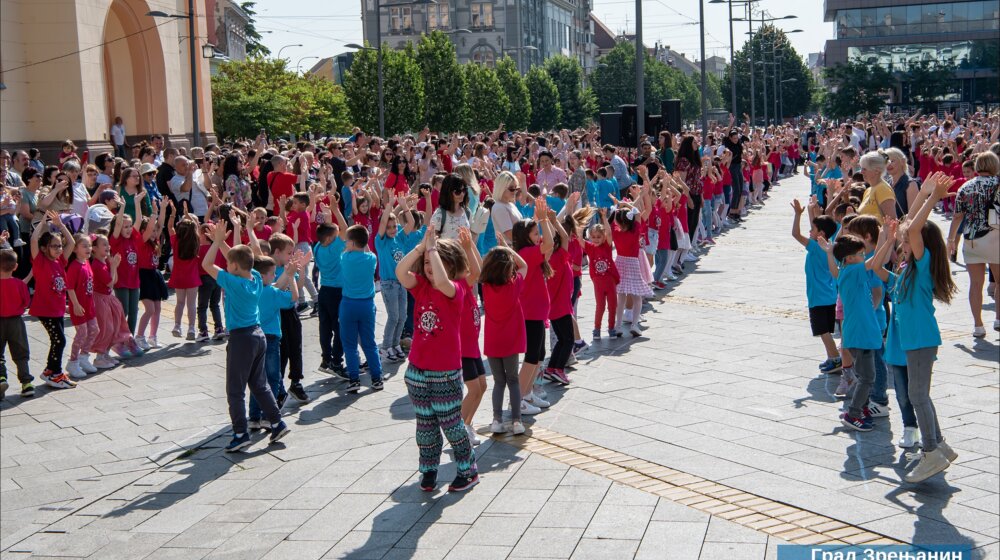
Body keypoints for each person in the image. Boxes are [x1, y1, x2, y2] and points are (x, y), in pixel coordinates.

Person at [875, 172, 960, 483]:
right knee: (919, 395)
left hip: (922, 340)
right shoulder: (907, 270)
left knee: (917, 396)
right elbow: (903, 233)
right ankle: (939, 445)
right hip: (914, 342)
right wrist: (922, 195)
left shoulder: (921, 267)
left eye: (910, 242)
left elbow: (911, 231)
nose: (905, 243)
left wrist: (931, 198)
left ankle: (931, 452)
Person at [395, 227, 479, 493]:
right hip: (417, 370)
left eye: (437, 263)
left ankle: (468, 470)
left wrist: (433, 249)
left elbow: (443, 282)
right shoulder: (421, 288)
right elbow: (400, 272)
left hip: (445, 372)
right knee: (425, 425)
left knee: (452, 424)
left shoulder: (456, 290)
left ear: (452, 265)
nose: (430, 268)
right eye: (428, 265)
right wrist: (422, 248)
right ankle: (428, 469)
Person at [201, 219, 289, 452]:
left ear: (234, 268)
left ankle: (240, 433)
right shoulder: (255, 278)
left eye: (229, 264)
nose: (227, 265)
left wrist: (217, 242)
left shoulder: (233, 283)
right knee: (259, 385)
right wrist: (221, 244)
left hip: (241, 339)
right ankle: (277, 422)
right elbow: (239, 260)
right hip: (258, 335)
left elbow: (207, 264)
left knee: (235, 389)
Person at [819, 230, 884, 433]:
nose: (863, 257)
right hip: (860, 335)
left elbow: (834, 270)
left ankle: (861, 409)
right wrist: (887, 240)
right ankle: (854, 413)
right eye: (860, 254)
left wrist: (830, 253)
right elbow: (874, 262)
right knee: (867, 378)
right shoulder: (852, 271)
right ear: (849, 258)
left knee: (865, 375)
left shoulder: (846, 271)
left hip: (861, 333)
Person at [947, 151, 1000, 337]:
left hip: (972, 239)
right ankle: (998, 319)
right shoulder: (998, 184)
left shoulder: (966, 187)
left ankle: (978, 325)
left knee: (975, 284)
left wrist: (951, 240)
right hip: (996, 237)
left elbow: (957, 216)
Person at [248, 254, 300, 429]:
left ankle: (253, 417)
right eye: (272, 274)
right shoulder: (271, 292)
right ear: (263, 276)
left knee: (256, 379)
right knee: (272, 379)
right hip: (270, 339)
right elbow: (293, 297)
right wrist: (291, 277)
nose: (274, 276)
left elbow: (277, 284)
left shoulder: (251, 289)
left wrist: (286, 273)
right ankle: (267, 416)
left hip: (253, 337)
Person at [512, 198, 554, 416]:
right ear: (525, 237)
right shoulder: (528, 253)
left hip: (537, 312)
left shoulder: (530, 252)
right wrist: (544, 219)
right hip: (530, 313)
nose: (539, 237)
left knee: (538, 354)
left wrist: (543, 220)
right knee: (531, 356)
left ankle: (526, 393)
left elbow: (549, 243)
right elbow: (550, 244)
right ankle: (517, 399)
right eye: (535, 233)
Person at [791, 198, 842, 374]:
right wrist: (814, 212)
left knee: (823, 331)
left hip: (818, 297)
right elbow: (819, 225)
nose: (809, 231)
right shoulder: (829, 245)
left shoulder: (815, 247)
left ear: (820, 233)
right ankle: (831, 357)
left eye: (812, 229)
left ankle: (836, 359)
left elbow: (796, 234)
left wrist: (798, 215)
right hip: (829, 295)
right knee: (827, 329)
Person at [481, 244, 528, 436]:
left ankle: (496, 420)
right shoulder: (514, 284)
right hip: (511, 340)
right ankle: (516, 420)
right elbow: (524, 265)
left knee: (499, 382)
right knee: (513, 380)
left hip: (493, 341)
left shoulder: (485, 287)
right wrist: (508, 248)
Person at [29, 211, 77, 389]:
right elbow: (34, 241)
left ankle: (51, 371)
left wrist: (61, 225)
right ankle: (55, 374)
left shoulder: (60, 261)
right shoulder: (40, 261)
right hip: (44, 309)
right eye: (54, 246)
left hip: (57, 309)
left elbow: (71, 242)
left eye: (59, 246)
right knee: (60, 340)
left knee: (59, 339)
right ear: (44, 249)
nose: (58, 249)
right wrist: (42, 224)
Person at [339, 224, 385, 393]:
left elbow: (348, 250)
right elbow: (366, 248)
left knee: (350, 344)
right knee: (369, 342)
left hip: (348, 304)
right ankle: (377, 377)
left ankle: (354, 379)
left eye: (346, 241)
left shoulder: (345, 258)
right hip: (367, 304)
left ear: (351, 243)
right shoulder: (371, 259)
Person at [89, 233, 140, 367]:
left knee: (114, 327)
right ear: (94, 249)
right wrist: (113, 267)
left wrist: (114, 266)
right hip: (100, 299)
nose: (108, 247)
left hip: (108, 298)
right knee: (106, 328)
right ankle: (99, 357)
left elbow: (114, 280)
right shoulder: (97, 265)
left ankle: (105, 354)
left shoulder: (104, 262)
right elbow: (110, 283)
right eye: (104, 244)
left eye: (108, 244)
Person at [374, 193, 408, 362]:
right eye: (389, 227)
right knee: (393, 316)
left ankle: (395, 344)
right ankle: (385, 347)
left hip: (402, 282)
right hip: (388, 284)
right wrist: (389, 207)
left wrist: (404, 206)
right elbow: (382, 224)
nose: (393, 229)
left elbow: (410, 224)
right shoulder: (381, 241)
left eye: (394, 226)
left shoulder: (399, 237)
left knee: (403, 317)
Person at [134, 200, 169, 349]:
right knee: (150, 309)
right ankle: (139, 336)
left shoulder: (154, 242)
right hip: (144, 275)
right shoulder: (141, 241)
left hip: (154, 275)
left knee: (157, 308)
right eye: (151, 230)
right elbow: (150, 229)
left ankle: (152, 337)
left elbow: (159, 225)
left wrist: (162, 209)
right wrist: (154, 213)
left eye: (156, 231)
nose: (155, 233)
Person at [65, 234, 99, 380]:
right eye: (84, 246)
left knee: (95, 330)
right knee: (82, 333)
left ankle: (84, 357)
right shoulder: (74, 266)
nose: (88, 249)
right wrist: (76, 305)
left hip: (89, 305)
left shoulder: (86, 263)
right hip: (78, 307)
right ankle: (72, 362)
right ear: (74, 249)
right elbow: (70, 288)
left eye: (89, 246)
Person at [0, 247, 32, 398]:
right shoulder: (20, 284)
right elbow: (26, 302)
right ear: (15, 266)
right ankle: (26, 383)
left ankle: (1, 378)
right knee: (21, 353)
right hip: (16, 322)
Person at [167, 211, 203, 339]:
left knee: (180, 302)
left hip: (178, 277)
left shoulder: (176, 241)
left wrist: (173, 215)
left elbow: (170, 227)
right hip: (192, 277)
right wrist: (188, 215)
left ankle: (177, 325)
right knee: (191, 304)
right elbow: (197, 227)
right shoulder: (196, 241)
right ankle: (191, 328)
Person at [856, 151, 896, 224]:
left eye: (864, 169)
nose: (861, 172)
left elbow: (892, 222)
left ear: (876, 171)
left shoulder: (883, 189)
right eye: (861, 168)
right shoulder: (868, 190)